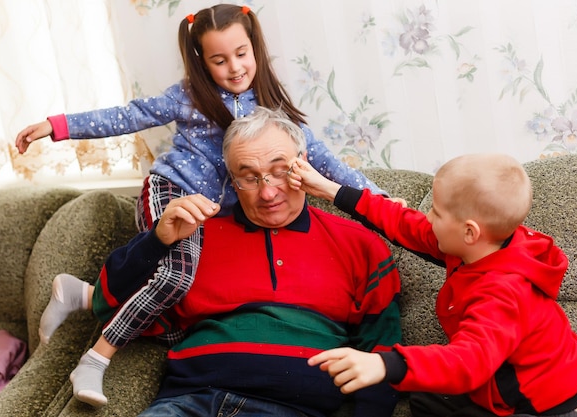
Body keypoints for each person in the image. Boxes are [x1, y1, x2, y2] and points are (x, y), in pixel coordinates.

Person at [16, 4, 386, 407]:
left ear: (255, 48)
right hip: (172, 191)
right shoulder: (188, 98)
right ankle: (95, 358)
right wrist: (58, 126)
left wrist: (378, 199)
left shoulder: (276, 116)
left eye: (242, 53)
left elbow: (328, 162)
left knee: (176, 315)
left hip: (206, 210)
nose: (235, 68)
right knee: (176, 277)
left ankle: (84, 296)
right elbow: (129, 115)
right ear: (201, 61)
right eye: (219, 59)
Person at [93, 106, 401, 416]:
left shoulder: (360, 244)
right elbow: (107, 305)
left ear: (303, 165)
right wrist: (157, 240)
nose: (267, 193)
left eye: (280, 171)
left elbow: (381, 354)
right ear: (232, 179)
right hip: (188, 404)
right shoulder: (195, 238)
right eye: (249, 178)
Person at [288, 153, 577, 417]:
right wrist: (331, 190)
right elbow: (402, 222)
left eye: (435, 211)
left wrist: (385, 364)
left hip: (539, 401)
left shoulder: (503, 293)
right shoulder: (479, 246)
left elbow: (468, 362)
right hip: (500, 375)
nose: (426, 215)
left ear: (469, 232)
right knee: (425, 399)